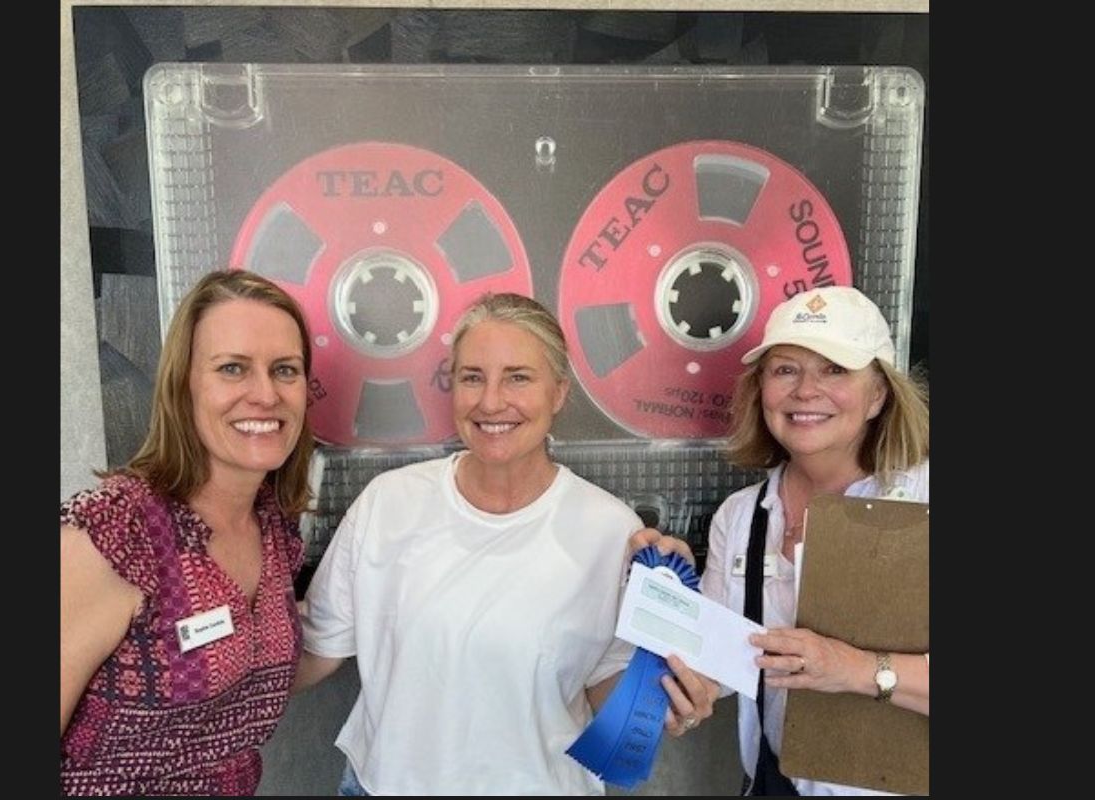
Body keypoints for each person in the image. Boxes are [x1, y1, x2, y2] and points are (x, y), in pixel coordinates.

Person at [291, 292, 712, 796]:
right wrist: (218, 669)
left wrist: (666, 700)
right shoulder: (388, 503)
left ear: (559, 392)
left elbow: (606, 687)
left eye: (518, 377)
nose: (491, 402)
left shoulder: (611, 530)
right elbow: (315, 651)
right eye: (472, 377)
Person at [60, 270, 317, 795]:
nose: (265, 393)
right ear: (184, 386)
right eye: (232, 368)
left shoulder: (274, 527)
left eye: (284, 370)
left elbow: (246, 671)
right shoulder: (116, 532)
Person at [694, 285, 930, 795]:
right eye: (785, 370)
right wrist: (661, 590)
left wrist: (857, 669)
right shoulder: (741, 517)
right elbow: (715, 670)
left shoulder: (927, 501)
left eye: (834, 369)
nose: (805, 390)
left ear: (878, 395)